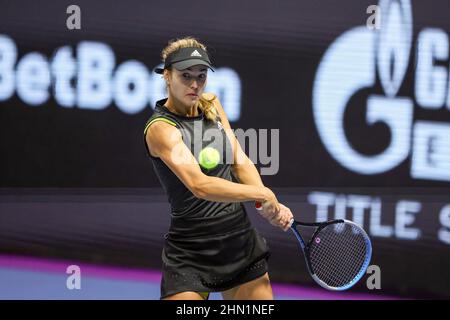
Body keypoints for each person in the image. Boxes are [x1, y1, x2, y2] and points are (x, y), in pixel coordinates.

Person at [143, 37, 293, 300]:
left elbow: (239, 159)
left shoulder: (211, 104)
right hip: (190, 252)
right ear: (167, 76)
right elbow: (200, 185)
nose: (194, 84)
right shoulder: (161, 129)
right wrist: (263, 194)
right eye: (185, 75)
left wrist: (267, 204)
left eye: (201, 76)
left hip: (239, 243)